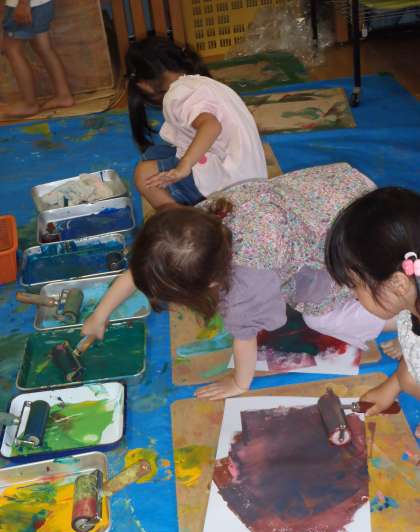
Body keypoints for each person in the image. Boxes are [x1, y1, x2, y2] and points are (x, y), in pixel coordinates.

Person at [82, 162, 394, 400]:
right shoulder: (201, 223)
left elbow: (245, 339)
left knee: (319, 318)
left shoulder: (246, 284)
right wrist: (100, 315)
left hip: (363, 236)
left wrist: (239, 383)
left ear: (210, 285)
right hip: (342, 189)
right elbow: (148, 265)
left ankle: (402, 317)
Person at [125, 37, 267, 209]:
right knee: (153, 154)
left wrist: (184, 167)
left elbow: (211, 125)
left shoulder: (177, 95)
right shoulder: (204, 83)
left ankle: (186, 220)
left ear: (144, 85)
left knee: (144, 174)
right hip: (250, 176)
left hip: (229, 187)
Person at [325, 186, 420, 433]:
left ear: (398, 283)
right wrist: (392, 386)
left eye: (356, 286)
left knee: (411, 381)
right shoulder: (410, 302)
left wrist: (404, 381)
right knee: (408, 378)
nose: (353, 296)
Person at [1, 0, 73, 117]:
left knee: (12, 49)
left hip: (24, 6)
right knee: (43, 48)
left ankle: (29, 104)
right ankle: (63, 95)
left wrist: (23, 4)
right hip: (39, 4)